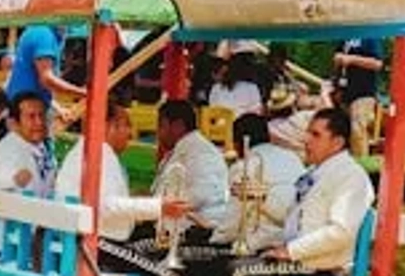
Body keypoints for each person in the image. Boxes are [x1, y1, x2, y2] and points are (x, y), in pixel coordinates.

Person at [233, 107, 375, 276]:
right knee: (230, 263)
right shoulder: (315, 173)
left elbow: (340, 232)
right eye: (308, 133)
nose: (307, 140)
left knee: (238, 274)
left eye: (316, 135)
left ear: (337, 143)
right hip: (301, 262)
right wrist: (260, 199)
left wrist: (290, 251)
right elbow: (292, 220)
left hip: (321, 268)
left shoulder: (351, 176)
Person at [55, 98, 188, 243]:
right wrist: (159, 207)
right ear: (107, 126)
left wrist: (141, 201)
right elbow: (107, 206)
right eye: (127, 125)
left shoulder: (93, 150)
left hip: (90, 238)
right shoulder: (99, 152)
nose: (130, 134)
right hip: (95, 243)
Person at [210, 114, 304, 253]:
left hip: (261, 245)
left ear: (237, 143)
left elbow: (234, 219)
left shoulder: (244, 167)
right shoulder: (293, 158)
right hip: (296, 239)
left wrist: (214, 240)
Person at [151, 99, 229, 236]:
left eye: (161, 126)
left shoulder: (201, 152)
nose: (158, 133)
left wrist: (160, 205)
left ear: (178, 126)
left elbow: (202, 193)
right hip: (174, 227)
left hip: (195, 233)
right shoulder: (184, 149)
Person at [0, 91, 56, 197]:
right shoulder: (10, 148)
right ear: (14, 124)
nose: (39, 122)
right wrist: (14, 180)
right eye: (31, 116)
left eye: (42, 115)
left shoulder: (40, 145)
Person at [4, 25, 84, 110]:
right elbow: (46, 80)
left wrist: (59, 109)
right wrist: (82, 92)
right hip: (27, 108)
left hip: (25, 106)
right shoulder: (44, 35)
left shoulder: (42, 32)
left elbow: (35, 84)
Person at [333, 37, 382, 157]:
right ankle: (347, 161)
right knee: (343, 131)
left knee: (357, 129)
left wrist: (352, 59)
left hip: (364, 93)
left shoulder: (370, 37)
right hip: (344, 93)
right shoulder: (344, 37)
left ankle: (361, 164)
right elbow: (337, 58)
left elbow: (377, 64)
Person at [208, 52, 264, 117]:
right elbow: (213, 112)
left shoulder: (251, 87)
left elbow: (258, 111)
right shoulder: (215, 89)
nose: (214, 76)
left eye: (217, 72)